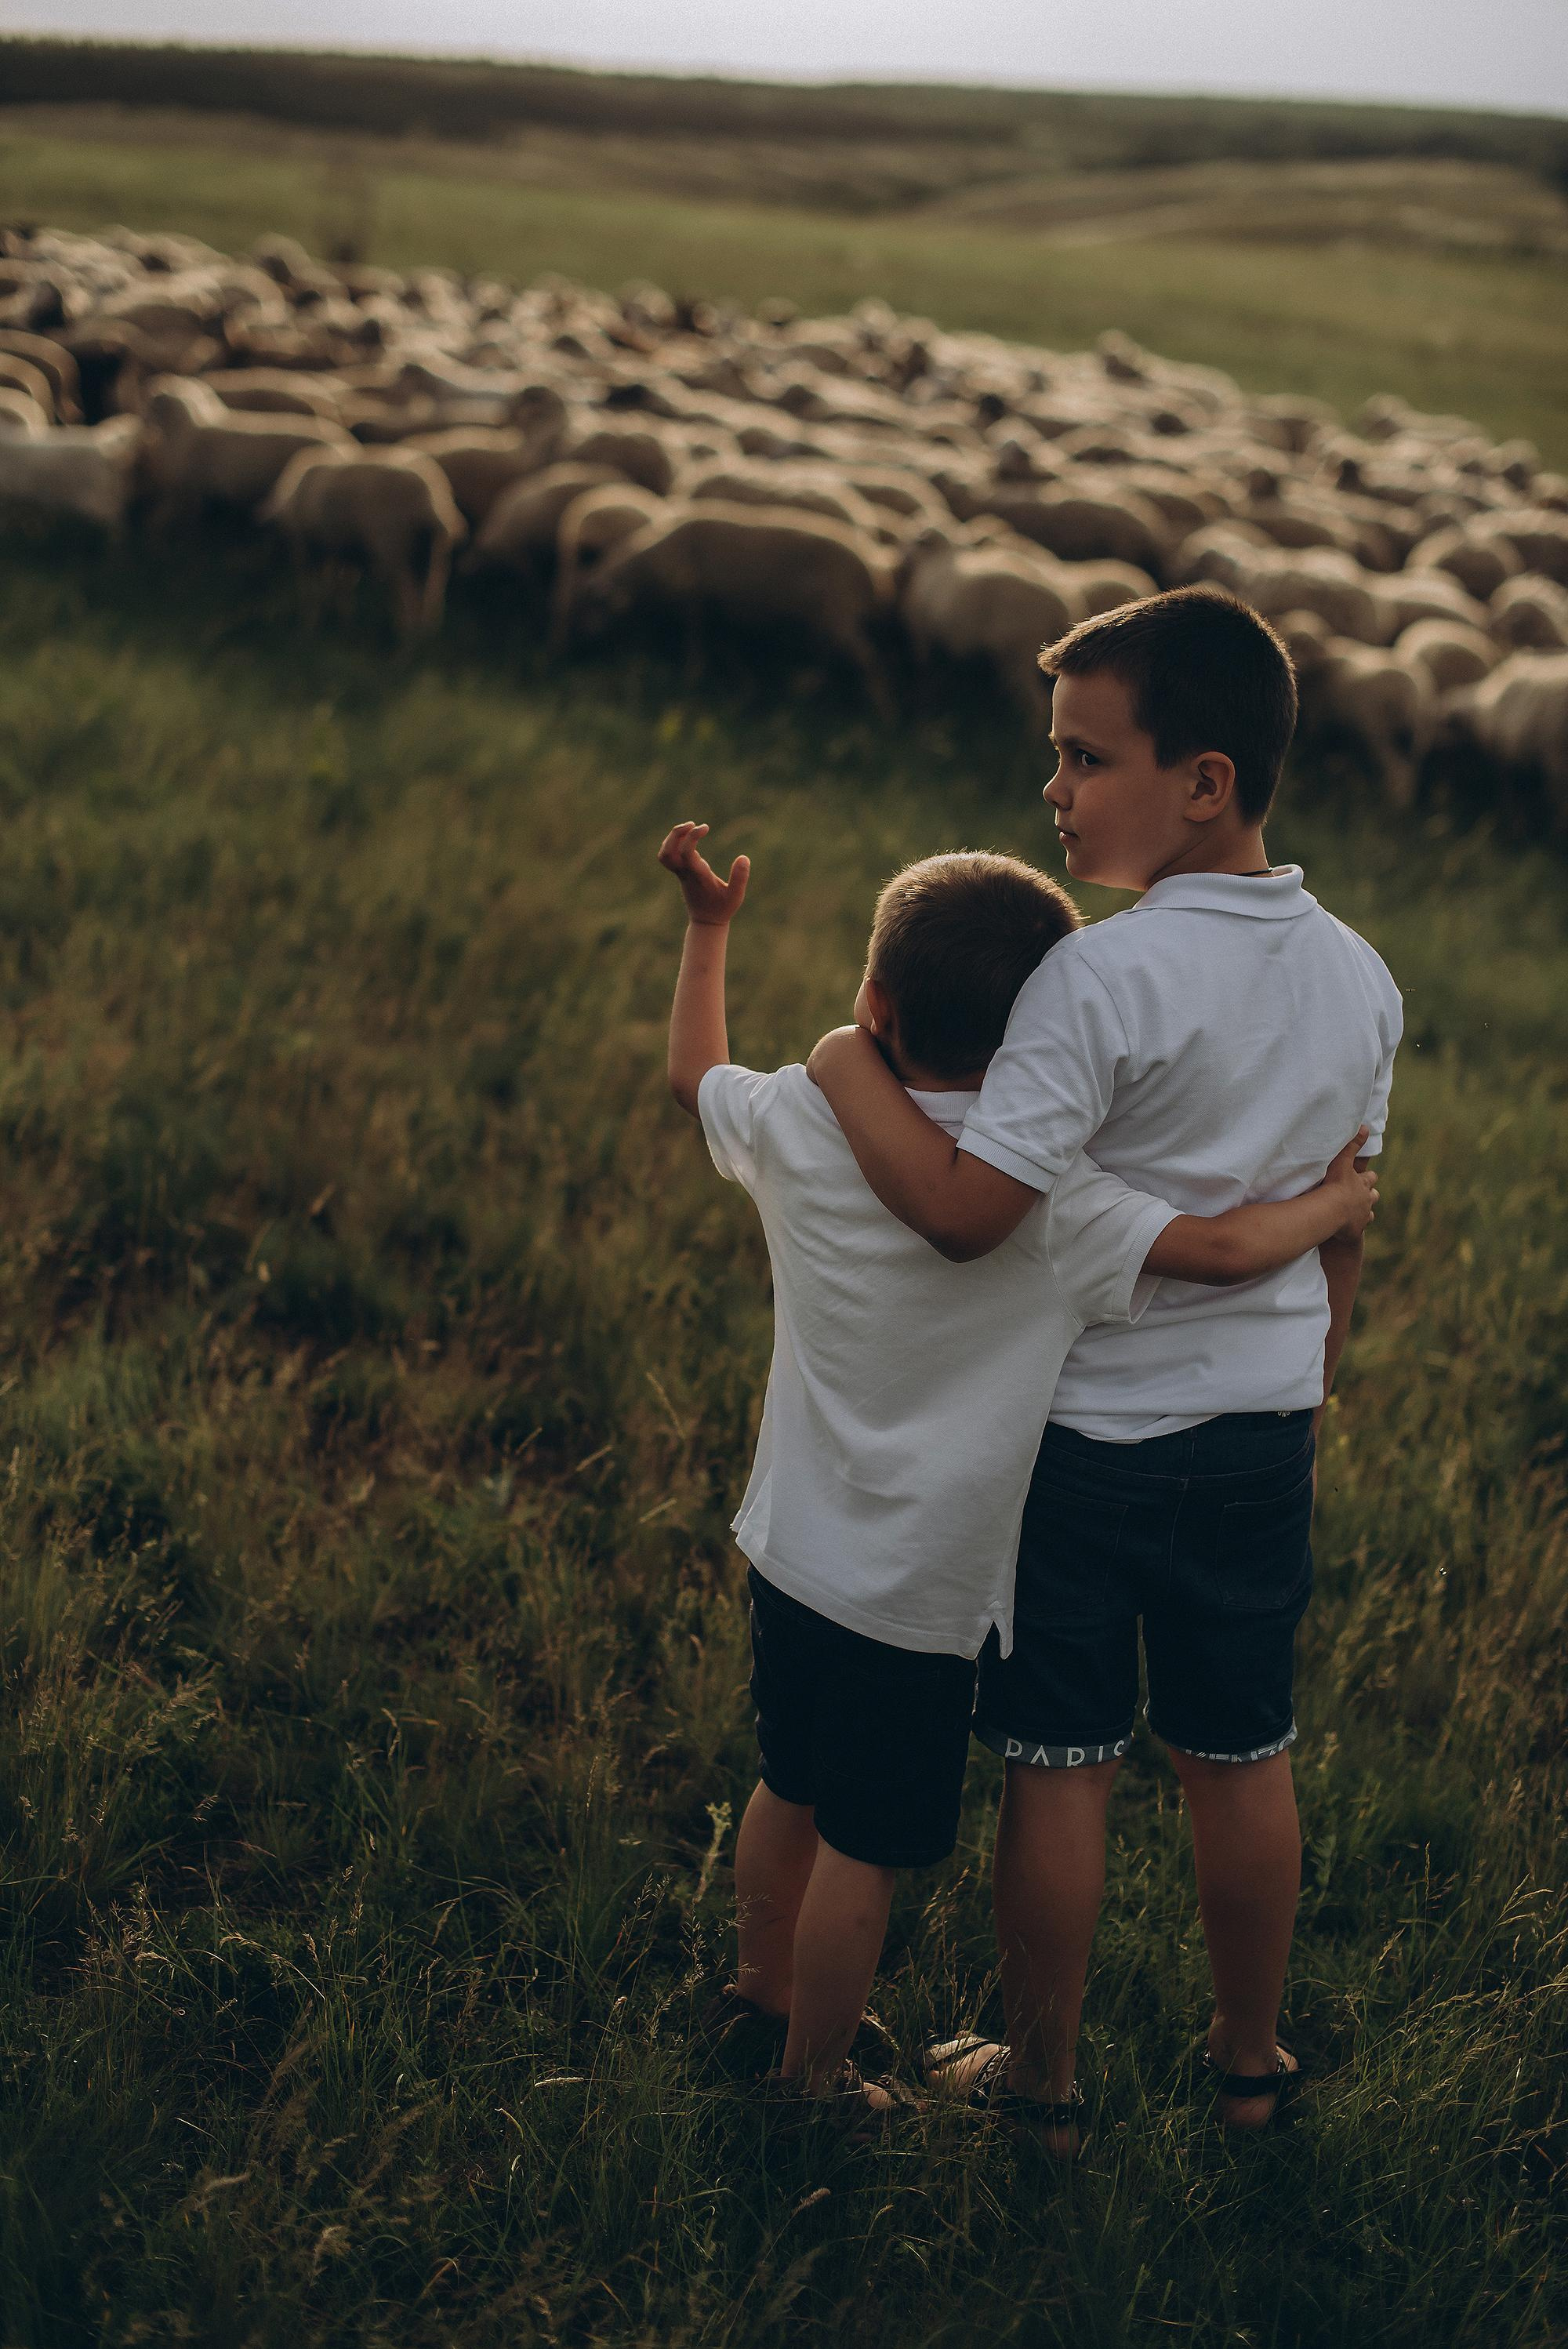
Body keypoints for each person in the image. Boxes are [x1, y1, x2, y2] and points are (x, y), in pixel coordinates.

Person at [659, 804, 1380, 2124]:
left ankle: (757, 1992)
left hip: (793, 1544)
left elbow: (693, 1074)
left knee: (788, 1785)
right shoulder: (1057, 1208)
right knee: (865, 1857)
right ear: (1047, 1044)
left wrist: (710, 933)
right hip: (922, 1597)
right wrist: (1337, 1207)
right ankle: (815, 2085)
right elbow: (1219, 1251)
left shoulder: (802, 1122)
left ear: (875, 1005)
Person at [807, 586, 1403, 2149]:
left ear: (1200, 779)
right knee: (1239, 1747)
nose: (1051, 793)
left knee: (1061, 1766)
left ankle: (1047, 2087)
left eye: (1082, 758)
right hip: (1262, 1433)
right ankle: (1249, 2064)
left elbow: (964, 1217)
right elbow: (1344, 1223)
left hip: (1084, 1436)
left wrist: (840, 1068)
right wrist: (1303, 1370)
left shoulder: (1099, 976)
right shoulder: (1360, 975)